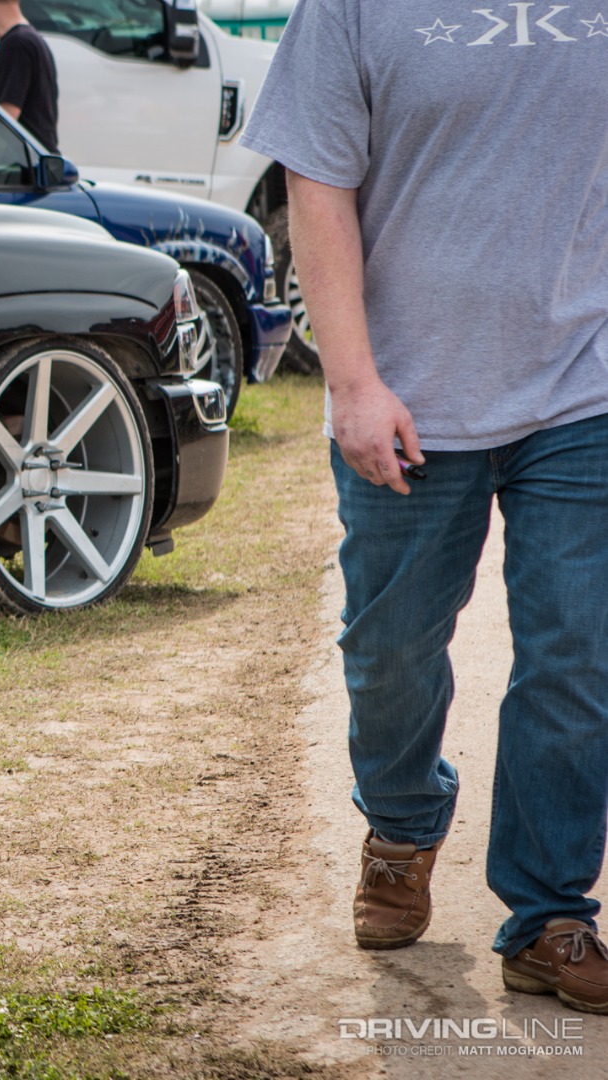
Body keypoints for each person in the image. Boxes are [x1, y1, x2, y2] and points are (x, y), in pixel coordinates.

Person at [240, 0, 608, 1015]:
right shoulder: (355, 8)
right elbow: (316, 183)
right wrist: (351, 381)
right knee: (391, 648)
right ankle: (402, 827)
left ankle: (548, 913)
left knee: (579, 648)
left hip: (584, 388)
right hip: (408, 394)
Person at [0, 0, 58, 152]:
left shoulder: (16, 45)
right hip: (39, 164)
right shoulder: (31, 40)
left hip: (26, 168)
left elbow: (5, 120)